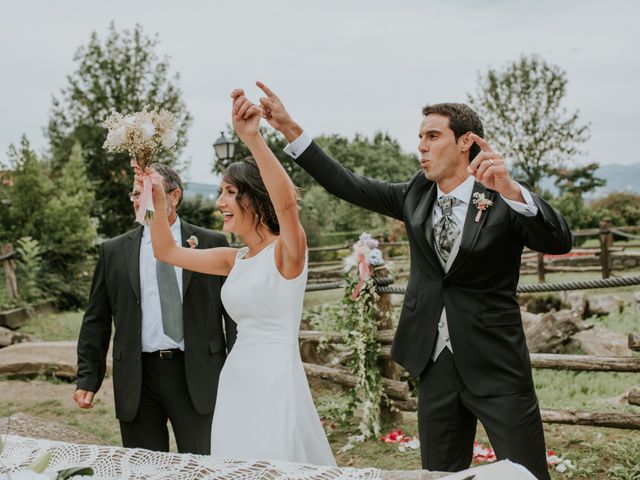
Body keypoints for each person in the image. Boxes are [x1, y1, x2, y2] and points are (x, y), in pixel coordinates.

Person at [254, 82, 573, 480]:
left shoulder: (501, 196)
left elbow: (558, 240)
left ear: (466, 142)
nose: (421, 146)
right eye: (420, 137)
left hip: (495, 363)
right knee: (437, 475)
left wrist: (509, 190)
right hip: (433, 362)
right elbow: (345, 183)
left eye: (433, 136)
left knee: (527, 474)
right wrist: (288, 128)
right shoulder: (415, 195)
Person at [147, 89, 336, 466]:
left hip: (275, 380)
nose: (220, 203)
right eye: (220, 193)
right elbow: (165, 251)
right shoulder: (234, 260)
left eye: (230, 193)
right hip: (237, 378)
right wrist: (155, 199)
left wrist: (252, 137)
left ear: (254, 198)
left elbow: (286, 204)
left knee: (275, 463)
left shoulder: (288, 253)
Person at [74, 163, 236, 454]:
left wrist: (240, 369)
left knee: (205, 464)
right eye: (134, 194)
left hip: (197, 373)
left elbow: (234, 314)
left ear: (173, 197)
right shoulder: (113, 251)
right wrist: (88, 377)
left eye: (146, 192)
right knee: (144, 468)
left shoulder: (212, 243)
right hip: (137, 378)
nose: (138, 200)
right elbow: (96, 320)